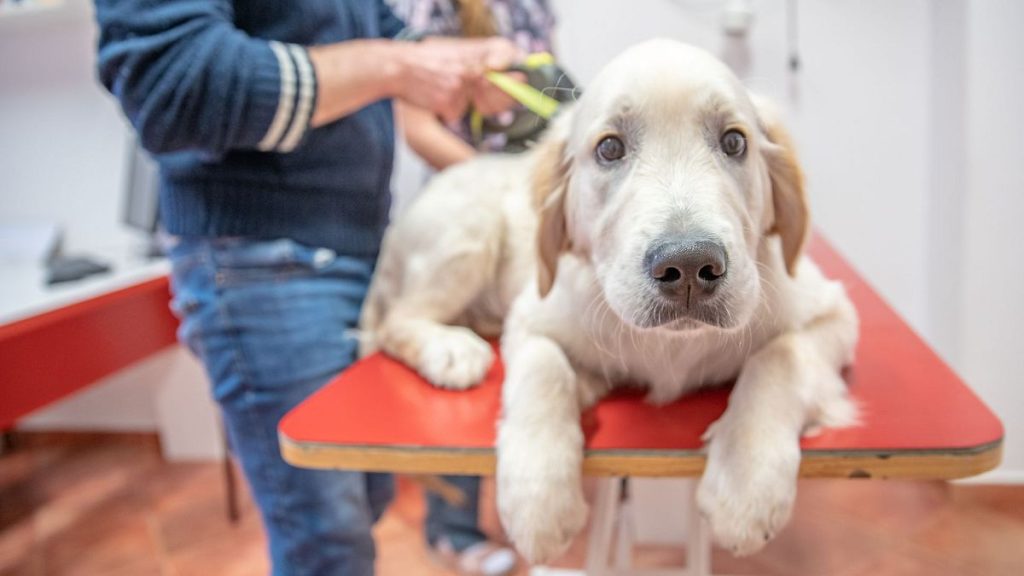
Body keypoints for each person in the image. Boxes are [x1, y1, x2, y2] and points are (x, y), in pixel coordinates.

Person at [93, 2, 520, 575]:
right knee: (325, 539)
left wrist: (449, 63)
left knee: (357, 504)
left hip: (348, 244)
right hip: (259, 256)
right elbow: (173, 83)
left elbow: (365, 26)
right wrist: (398, 66)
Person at [384, 1, 557, 574]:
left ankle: (527, 521)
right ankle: (453, 530)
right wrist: (499, 189)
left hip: (533, 208)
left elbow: (558, 104)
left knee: (523, 363)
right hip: (467, 203)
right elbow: (416, 127)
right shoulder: (428, 9)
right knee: (455, 360)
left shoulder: (532, 6)